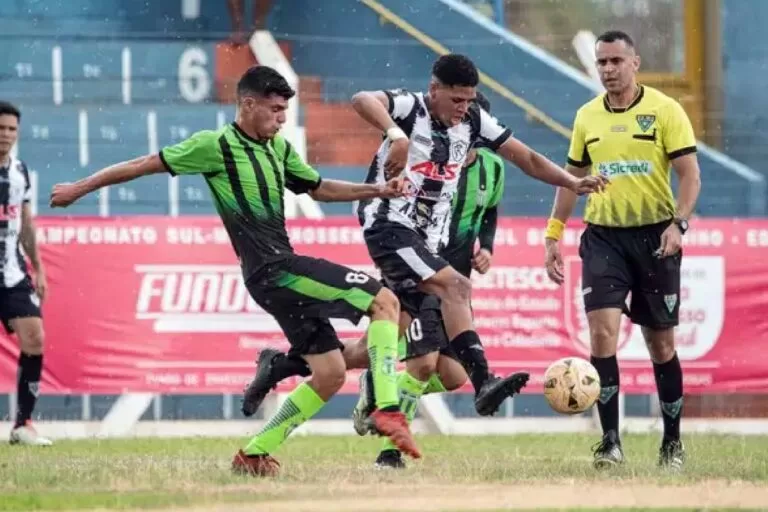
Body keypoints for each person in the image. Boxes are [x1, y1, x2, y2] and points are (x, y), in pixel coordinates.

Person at [49, 65, 421, 476]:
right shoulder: (215, 146)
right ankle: (388, 408)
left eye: (285, 111)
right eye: (275, 110)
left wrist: (378, 190)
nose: (282, 119)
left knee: (330, 373)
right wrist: (78, 188)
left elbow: (318, 188)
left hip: (272, 276)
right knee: (385, 302)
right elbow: (143, 164)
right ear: (247, 104)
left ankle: (253, 454)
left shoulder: (278, 148)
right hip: (274, 269)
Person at [240, 56, 606, 422]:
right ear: (434, 90)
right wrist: (397, 135)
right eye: (456, 100)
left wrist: (571, 182)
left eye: (469, 100)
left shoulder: (474, 121)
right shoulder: (410, 107)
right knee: (457, 288)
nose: (463, 108)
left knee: (377, 345)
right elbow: (362, 99)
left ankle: (281, 365)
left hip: (426, 243)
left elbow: (527, 158)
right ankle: (484, 382)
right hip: (389, 226)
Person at [543, 30, 701, 471]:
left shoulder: (665, 111)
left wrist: (678, 223)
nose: (608, 69)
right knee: (602, 335)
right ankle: (610, 442)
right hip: (604, 238)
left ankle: (672, 444)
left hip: (655, 239)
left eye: (616, 61)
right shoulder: (587, 116)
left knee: (661, 346)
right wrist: (553, 234)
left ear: (635, 63)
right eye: (602, 62)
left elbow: (690, 175)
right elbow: (572, 179)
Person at [0, 102, 51, 447]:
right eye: (1, 129)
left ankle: (22, 425)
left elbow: (26, 224)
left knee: (35, 339)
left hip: (12, 272)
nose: (6, 135)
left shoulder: (21, 171)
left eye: (11, 129)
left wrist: (39, 266)